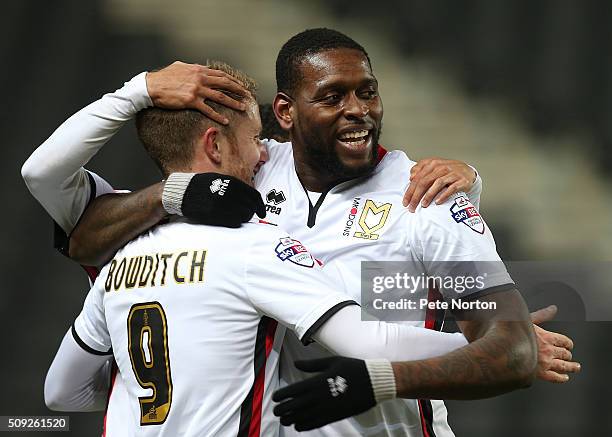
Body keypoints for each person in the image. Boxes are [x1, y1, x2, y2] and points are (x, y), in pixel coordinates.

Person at [21, 30, 579, 437]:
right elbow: (78, 219)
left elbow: (500, 349)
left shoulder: (429, 198)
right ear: (284, 112)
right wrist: (141, 96)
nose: (358, 111)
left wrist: (473, 345)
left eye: (368, 92)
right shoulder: (249, 176)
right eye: (333, 97)